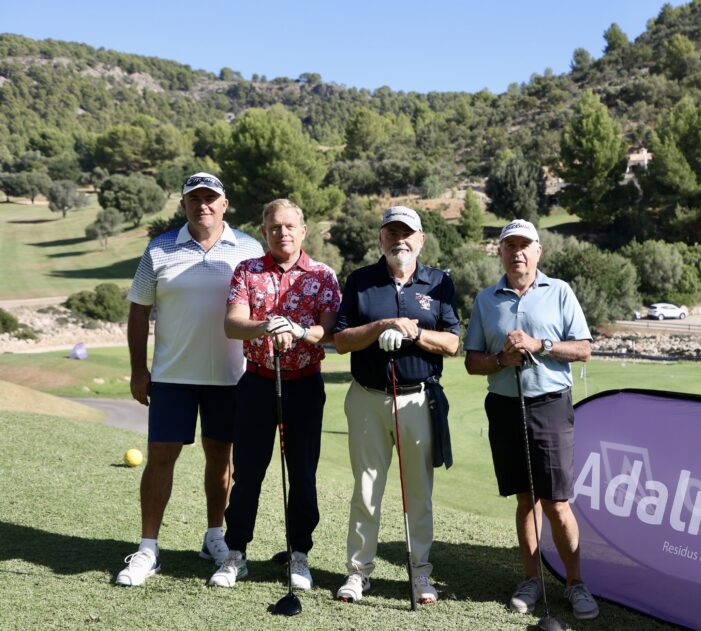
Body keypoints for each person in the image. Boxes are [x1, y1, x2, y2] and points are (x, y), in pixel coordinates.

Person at [116, 172, 264, 587]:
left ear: (224, 204)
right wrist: (138, 368)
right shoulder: (160, 249)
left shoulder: (249, 248)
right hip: (172, 376)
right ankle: (148, 547)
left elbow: (262, 304)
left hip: (231, 377)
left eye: (210, 198)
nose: (203, 205)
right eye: (194, 199)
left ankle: (214, 536)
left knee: (221, 458)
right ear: (184, 205)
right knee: (161, 456)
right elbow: (139, 310)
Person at [463, 219, 599, 620]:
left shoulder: (560, 292)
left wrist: (541, 345)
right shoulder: (487, 300)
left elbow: (584, 349)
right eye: (510, 246)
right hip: (505, 406)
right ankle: (531, 580)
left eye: (525, 246)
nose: (517, 253)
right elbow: (472, 362)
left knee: (556, 501)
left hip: (550, 404)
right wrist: (502, 359)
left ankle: (575, 584)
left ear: (538, 251)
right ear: (501, 252)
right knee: (526, 499)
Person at [208, 199, 339, 590]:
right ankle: (235, 553)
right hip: (258, 382)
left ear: (303, 230)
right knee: (248, 473)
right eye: (274, 227)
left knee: (302, 473)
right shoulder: (247, 271)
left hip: (304, 383)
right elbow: (233, 324)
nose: (283, 232)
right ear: (264, 232)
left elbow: (328, 332)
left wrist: (299, 332)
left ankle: (299, 554)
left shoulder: (322, 275)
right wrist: (267, 325)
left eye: (290, 226)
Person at [332, 205, 460, 604]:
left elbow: (453, 343)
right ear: (380, 239)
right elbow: (341, 340)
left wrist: (414, 332)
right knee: (366, 489)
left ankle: (420, 573)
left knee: (418, 492)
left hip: (417, 399)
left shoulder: (438, 283)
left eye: (407, 233)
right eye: (392, 233)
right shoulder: (361, 281)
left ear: (421, 240)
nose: (399, 240)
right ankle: (358, 572)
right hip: (368, 397)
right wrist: (382, 327)